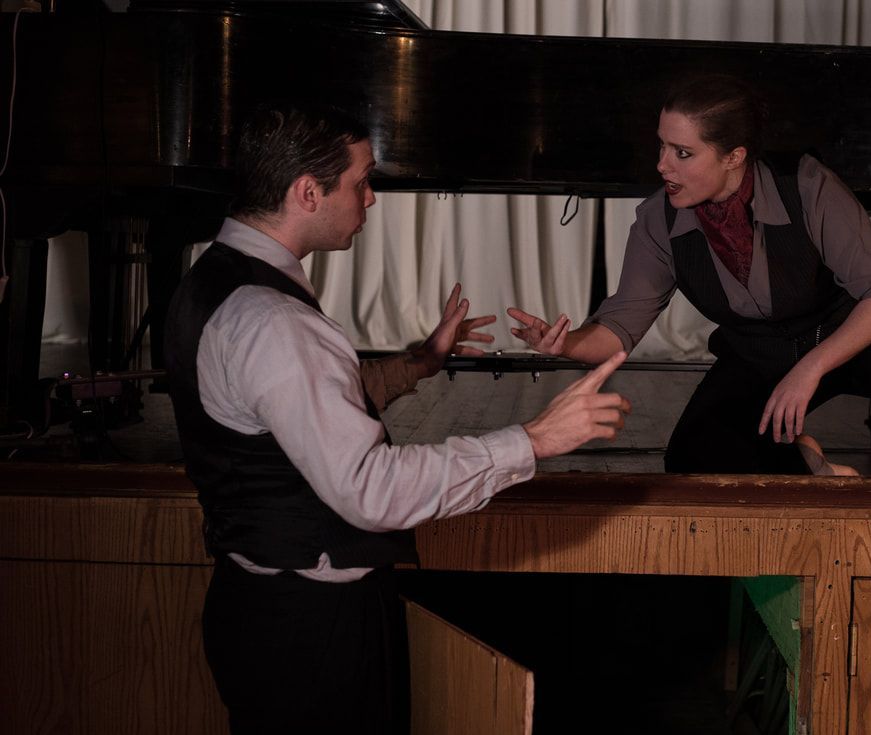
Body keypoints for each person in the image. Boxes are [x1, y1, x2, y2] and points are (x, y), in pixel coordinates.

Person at [163, 103, 630, 735]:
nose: (371, 198)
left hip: (261, 609)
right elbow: (370, 492)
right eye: (361, 181)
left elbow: (291, 408)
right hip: (310, 628)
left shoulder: (215, 281)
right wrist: (535, 439)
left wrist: (421, 362)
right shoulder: (275, 322)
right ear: (307, 192)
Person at [509, 75, 871, 476]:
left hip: (846, 338)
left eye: (683, 153)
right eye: (662, 146)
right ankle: (806, 463)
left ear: (734, 156)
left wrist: (810, 368)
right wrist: (564, 343)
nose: (663, 165)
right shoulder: (657, 220)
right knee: (693, 457)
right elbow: (618, 331)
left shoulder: (805, 185)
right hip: (760, 355)